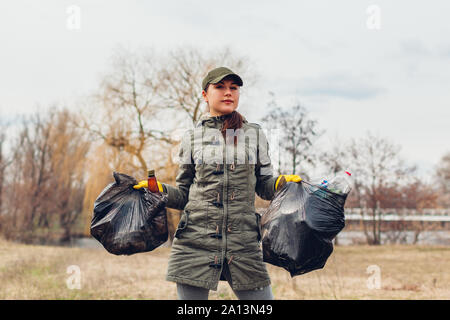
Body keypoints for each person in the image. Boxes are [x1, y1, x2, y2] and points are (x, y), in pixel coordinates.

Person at [133, 66, 301, 300]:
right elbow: (183, 194)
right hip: (195, 239)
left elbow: (263, 186)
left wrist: (281, 183)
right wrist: (158, 190)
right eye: (220, 87)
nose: (228, 93)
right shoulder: (191, 138)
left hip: (242, 241)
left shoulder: (254, 135)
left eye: (233, 88)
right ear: (205, 95)